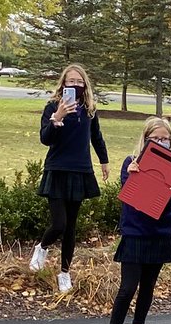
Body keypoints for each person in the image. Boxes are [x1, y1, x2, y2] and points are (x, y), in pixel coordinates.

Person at [93, 118, 171, 324]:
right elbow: (132, 198)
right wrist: (133, 177)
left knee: (148, 286)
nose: (161, 143)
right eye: (156, 139)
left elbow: (162, 206)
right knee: (127, 288)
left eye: (165, 139)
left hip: (160, 233)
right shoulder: (130, 163)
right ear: (146, 140)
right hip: (135, 233)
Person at [29, 64, 110, 292]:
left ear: (85, 84)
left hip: (80, 170)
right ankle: (42, 247)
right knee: (59, 224)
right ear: (63, 83)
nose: (75, 84)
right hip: (57, 169)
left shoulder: (89, 109)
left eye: (79, 81)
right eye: (71, 81)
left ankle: (64, 273)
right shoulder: (52, 107)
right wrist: (57, 118)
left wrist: (104, 161)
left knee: (71, 227)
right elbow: (45, 139)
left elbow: (96, 137)